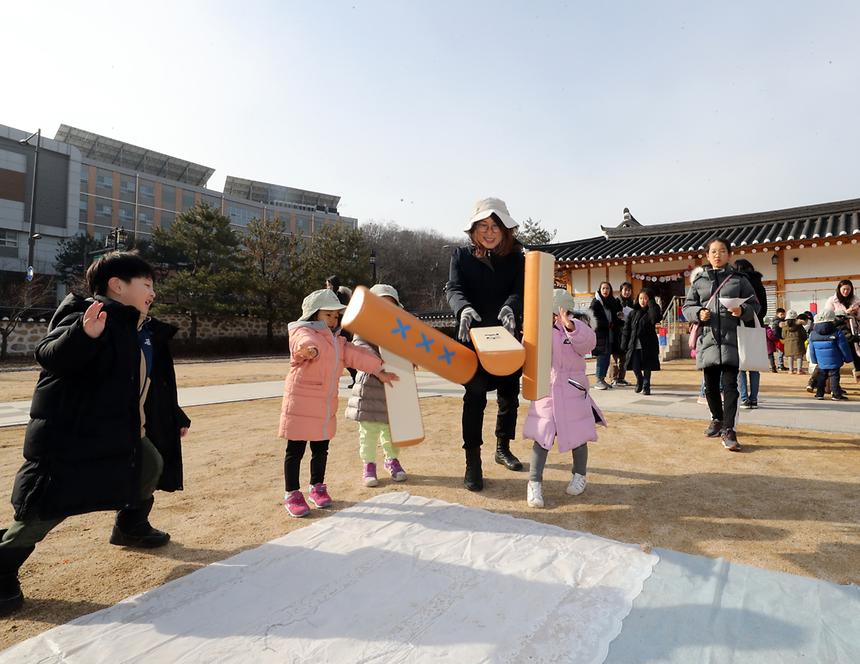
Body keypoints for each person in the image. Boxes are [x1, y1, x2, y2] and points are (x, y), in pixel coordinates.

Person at [0, 252, 191, 616]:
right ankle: (3, 566)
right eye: (146, 284)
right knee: (47, 509)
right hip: (72, 437)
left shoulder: (141, 328)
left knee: (150, 464)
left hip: (120, 432)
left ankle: (131, 525)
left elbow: (148, 382)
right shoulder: (89, 316)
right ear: (117, 286)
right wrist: (83, 335)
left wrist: (173, 413)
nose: (153, 292)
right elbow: (50, 355)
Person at [279, 289, 397, 517]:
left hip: (323, 405)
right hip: (301, 403)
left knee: (321, 449)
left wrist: (379, 370)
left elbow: (356, 355)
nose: (333, 320)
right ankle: (292, 492)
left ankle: (317, 487)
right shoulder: (302, 331)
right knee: (295, 450)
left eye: (336, 316)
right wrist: (306, 351)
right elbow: (302, 343)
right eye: (328, 315)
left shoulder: (337, 341)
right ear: (314, 315)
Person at [445, 197, 525, 491]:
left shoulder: (517, 257)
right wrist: (463, 308)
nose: (489, 232)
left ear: (505, 230)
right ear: (473, 229)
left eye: (495, 226)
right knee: (475, 395)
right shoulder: (461, 256)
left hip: (506, 336)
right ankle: (472, 460)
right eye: (483, 226)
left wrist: (511, 307)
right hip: (472, 338)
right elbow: (453, 288)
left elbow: (520, 291)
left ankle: (502, 447)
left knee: (508, 395)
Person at [523, 289, 606, 508]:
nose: (553, 316)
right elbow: (528, 351)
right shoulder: (540, 328)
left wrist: (570, 326)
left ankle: (580, 475)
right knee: (542, 436)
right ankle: (534, 482)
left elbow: (588, 344)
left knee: (579, 436)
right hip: (547, 390)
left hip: (573, 390)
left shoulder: (579, 326)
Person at [682, 237, 760, 451]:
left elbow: (756, 305)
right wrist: (698, 313)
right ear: (707, 255)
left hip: (732, 340)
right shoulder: (699, 282)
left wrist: (742, 311)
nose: (717, 255)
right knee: (710, 386)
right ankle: (716, 419)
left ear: (729, 255)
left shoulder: (739, 280)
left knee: (730, 386)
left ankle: (729, 429)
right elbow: (687, 307)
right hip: (707, 341)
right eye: (713, 251)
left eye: (722, 251)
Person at [345, 284, 409, 487]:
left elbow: (412, 349)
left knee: (391, 430)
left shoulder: (402, 329)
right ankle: (369, 465)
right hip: (371, 386)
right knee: (369, 430)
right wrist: (378, 366)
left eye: (390, 305)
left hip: (392, 387)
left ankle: (392, 460)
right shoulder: (364, 327)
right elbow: (359, 348)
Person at [733, 258, 767, 409]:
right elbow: (763, 308)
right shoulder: (759, 284)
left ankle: (744, 398)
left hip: (739, 326)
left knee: (741, 364)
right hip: (756, 327)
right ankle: (754, 398)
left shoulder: (738, 282)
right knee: (754, 364)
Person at [620, 288, 662, 395]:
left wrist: (652, 303)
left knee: (647, 366)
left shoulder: (651, 311)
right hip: (634, 344)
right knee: (635, 366)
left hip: (648, 345)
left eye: (646, 298)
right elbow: (626, 329)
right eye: (641, 298)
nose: (643, 301)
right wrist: (624, 344)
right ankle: (640, 380)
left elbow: (655, 318)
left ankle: (646, 386)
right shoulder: (633, 313)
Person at [808, 309, 852, 400]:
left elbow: (811, 349)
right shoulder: (837, 332)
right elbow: (844, 347)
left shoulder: (813, 333)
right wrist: (848, 358)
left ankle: (819, 394)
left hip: (821, 361)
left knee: (821, 376)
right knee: (834, 376)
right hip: (835, 359)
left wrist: (814, 360)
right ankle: (836, 394)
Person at [824, 279, 860, 383]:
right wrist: (845, 312)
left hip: (853, 330)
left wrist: (856, 312)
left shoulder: (856, 300)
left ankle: (858, 378)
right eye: (844, 289)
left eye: (848, 289)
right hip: (837, 332)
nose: (846, 291)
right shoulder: (832, 300)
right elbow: (828, 316)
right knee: (834, 357)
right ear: (839, 289)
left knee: (857, 356)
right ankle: (822, 382)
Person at [326, 275, 358, 388]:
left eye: (329, 284)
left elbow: (342, 311)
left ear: (334, 285)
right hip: (334, 330)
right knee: (333, 356)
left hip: (342, 330)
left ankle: (356, 377)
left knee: (344, 356)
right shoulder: (330, 296)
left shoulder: (341, 296)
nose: (327, 287)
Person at [590, 281, 622, 390]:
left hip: (610, 334)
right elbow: (592, 318)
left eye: (607, 288)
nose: (605, 291)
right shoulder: (596, 303)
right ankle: (598, 380)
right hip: (601, 335)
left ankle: (602, 379)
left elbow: (614, 316)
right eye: (603, 288)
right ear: (600, 290)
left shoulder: (611, 302)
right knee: (602, 357)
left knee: (607, 357)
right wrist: (606, 324)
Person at [611, 282, 635, 386]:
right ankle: (614, 378)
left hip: (627, 333)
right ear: (621, 291)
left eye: (629, 290)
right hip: (617, 333)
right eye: (625, 290)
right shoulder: (616, 302)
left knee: (624, 358)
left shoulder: (632, 303)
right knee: (615, 358)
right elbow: (612, 317)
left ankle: (621, 378)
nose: (627, 292)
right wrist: (618, 317)